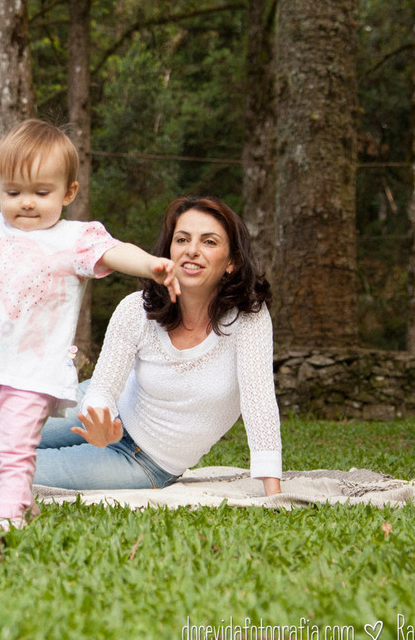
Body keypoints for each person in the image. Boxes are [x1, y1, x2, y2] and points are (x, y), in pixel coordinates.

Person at [0, 118, 179, 529]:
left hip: (32, 372)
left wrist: (151, 265)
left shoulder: (75, 238)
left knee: (13, 444)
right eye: (14, 192)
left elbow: (116, 252)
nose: (26, 202)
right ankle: (18, 496)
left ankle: (8, 513)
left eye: (41, 192)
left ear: (68, 193)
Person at [33, 196, 283, 495]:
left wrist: (274, 492)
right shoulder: (136, 309)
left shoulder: (248, 318)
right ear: (168, 252)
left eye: (209, 242)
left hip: (143, 461)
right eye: (182, 239)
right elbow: (102, 388)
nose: (192, 251)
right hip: (103, 411)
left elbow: (260, 401)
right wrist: (98, 417)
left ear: (232, 262)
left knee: (3, 471)